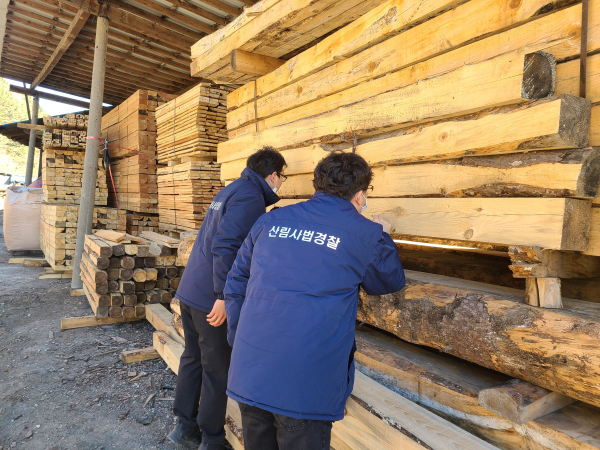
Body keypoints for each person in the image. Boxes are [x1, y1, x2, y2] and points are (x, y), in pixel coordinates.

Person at [223, 152, 406, 450]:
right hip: (304, 383)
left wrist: (239, 340)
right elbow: (389, 281)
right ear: (360, 195)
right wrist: (384, 236)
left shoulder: (271, 220)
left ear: (318, 185)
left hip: (251, 369)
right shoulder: (366, 233)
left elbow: (236, 281)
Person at [169, 147, 287, 450]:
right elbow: (225, 245)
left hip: (192, 290)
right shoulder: (249, 197)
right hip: (211, 297)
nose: (281, 184)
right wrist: (223, 296)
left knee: (193, 358)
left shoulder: (231, 189)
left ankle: (185, 428)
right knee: (217, 369)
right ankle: (211, 439)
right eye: (282, 178)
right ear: (272, 175)